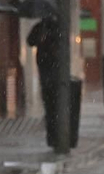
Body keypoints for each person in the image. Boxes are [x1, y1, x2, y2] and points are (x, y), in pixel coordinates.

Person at [30, 15, 81, 149]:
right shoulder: (40, 28)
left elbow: (61, 46)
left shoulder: (58, 28)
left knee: (54, 104)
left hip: (56, 71)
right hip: (45, 69)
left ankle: (58, 136)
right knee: (49, 105)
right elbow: (30, 41)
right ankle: (53, 136)